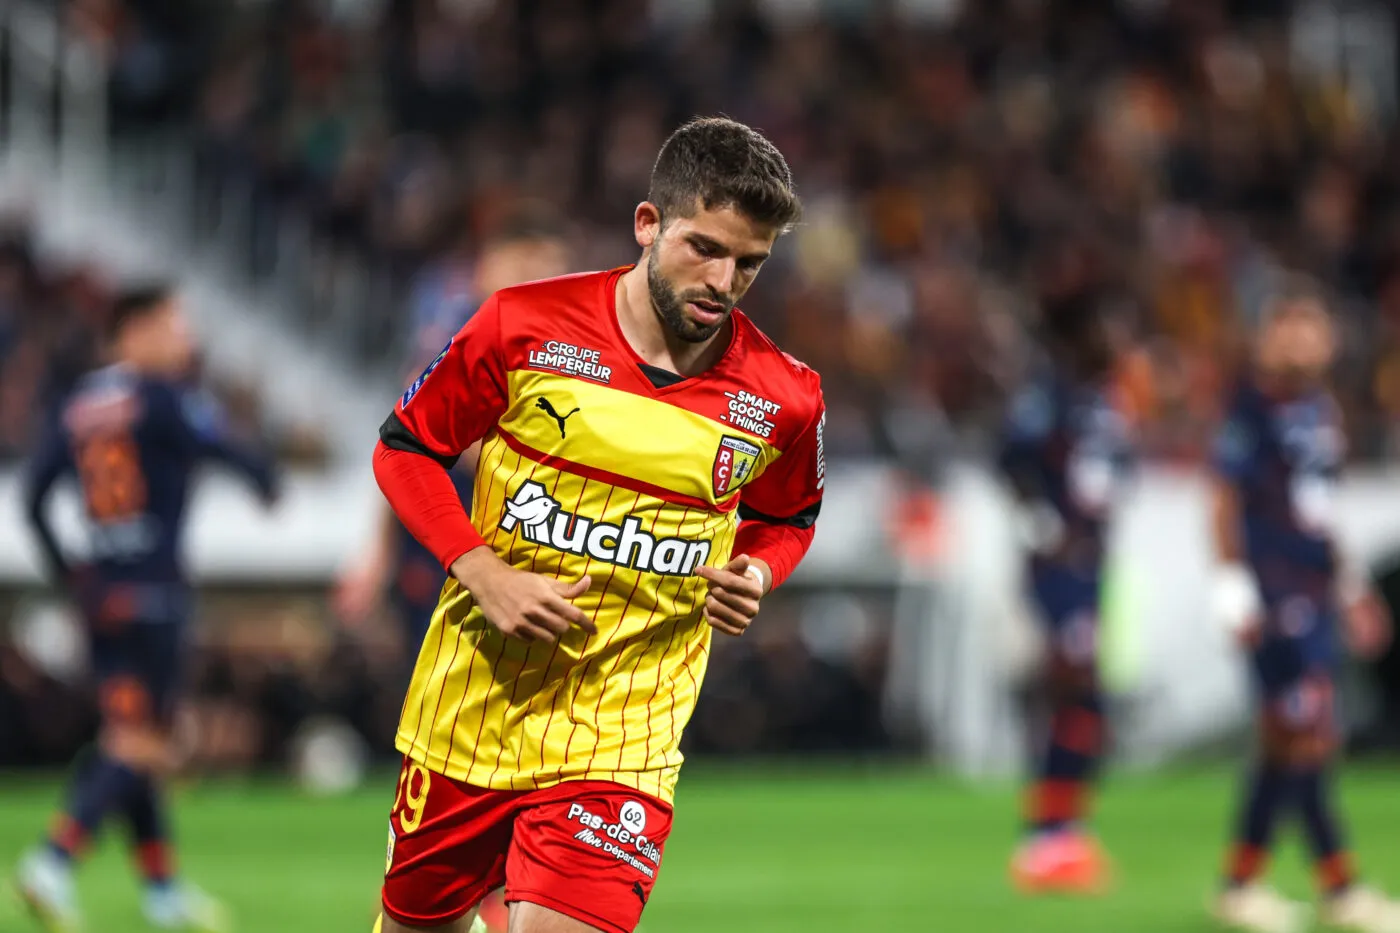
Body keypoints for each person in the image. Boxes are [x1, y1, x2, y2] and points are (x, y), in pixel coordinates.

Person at [369, 116, 823, 933]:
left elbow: (788, 516)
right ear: (648, 224)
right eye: (705, 249)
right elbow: (405, 448)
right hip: (474, 708)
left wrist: (756, 570)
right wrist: (484, 571)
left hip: (627, 729)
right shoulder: (520, 325)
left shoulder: (784, 396)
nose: (723, 282)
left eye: (749, 263)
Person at [14, 285, 280, 933]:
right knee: (141, 743)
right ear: (134, 331)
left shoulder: (78, 401)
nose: (183, 339)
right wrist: (264, 478)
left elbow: (33, 495)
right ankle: (52, 859)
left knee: (137, 741)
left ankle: (161, 890)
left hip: (103, 594)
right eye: (172, 324)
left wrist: (73, 576)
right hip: (156, 591)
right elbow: (227, 447)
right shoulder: (162, 397)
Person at [1209, 284, 1400, 933]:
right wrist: (1231, 581)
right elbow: (1224, 497)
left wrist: (1349, 588)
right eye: (1289, 326)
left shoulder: (1320, 411)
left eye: (1312, 326)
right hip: (1273, 588)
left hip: (1313, 588)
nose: (1303, 339)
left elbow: (1319, 510)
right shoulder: (1251, 407)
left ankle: (1244, 883)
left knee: (1290, 737)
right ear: (1268, 337)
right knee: (1305, 729)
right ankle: (1336, 886)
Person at [336, 209, 573, 659]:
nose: (539, 280)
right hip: (447, 534)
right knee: (439, 674)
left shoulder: (559, 345)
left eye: (550, 270)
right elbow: (406, 447)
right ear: (488, 266)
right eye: (525, 267)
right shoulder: (457, 336)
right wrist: (376, 556)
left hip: (521, 535)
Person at [999, 294, 1133, 895]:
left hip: (1095, 564)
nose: (1114, 341)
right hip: (1061, 567)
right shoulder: (1048, 397)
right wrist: (1041, 523)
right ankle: (1048, 836)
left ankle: (1062, 830)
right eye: (1103, 328)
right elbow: (1009, 460)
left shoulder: (1105, 400)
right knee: (1077, 687)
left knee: (1086, 698)